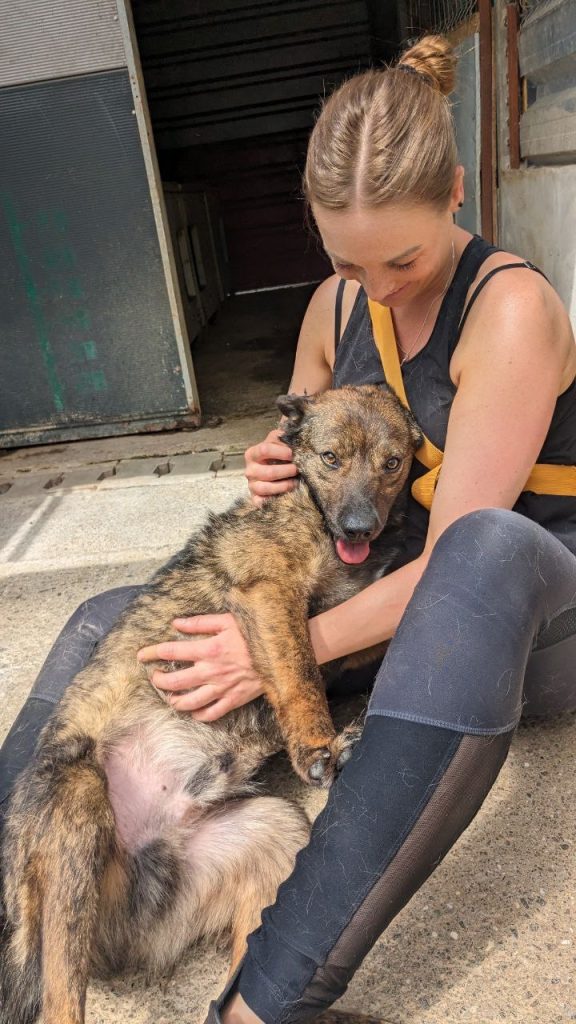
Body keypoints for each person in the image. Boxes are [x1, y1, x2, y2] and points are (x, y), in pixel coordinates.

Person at [1, 33, 576, 1024]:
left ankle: (267, 1004)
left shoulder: (511, 310)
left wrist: (284, 653)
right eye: (348, 259)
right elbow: (299, 466)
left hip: (512, 626)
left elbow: (451, 564)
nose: (379, 287)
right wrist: (277, 470)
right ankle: (14, 910)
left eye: (402, 257)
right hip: (380, 614)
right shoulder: (335, 304)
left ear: (457, 193)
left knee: (487, 549)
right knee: (117, 617)